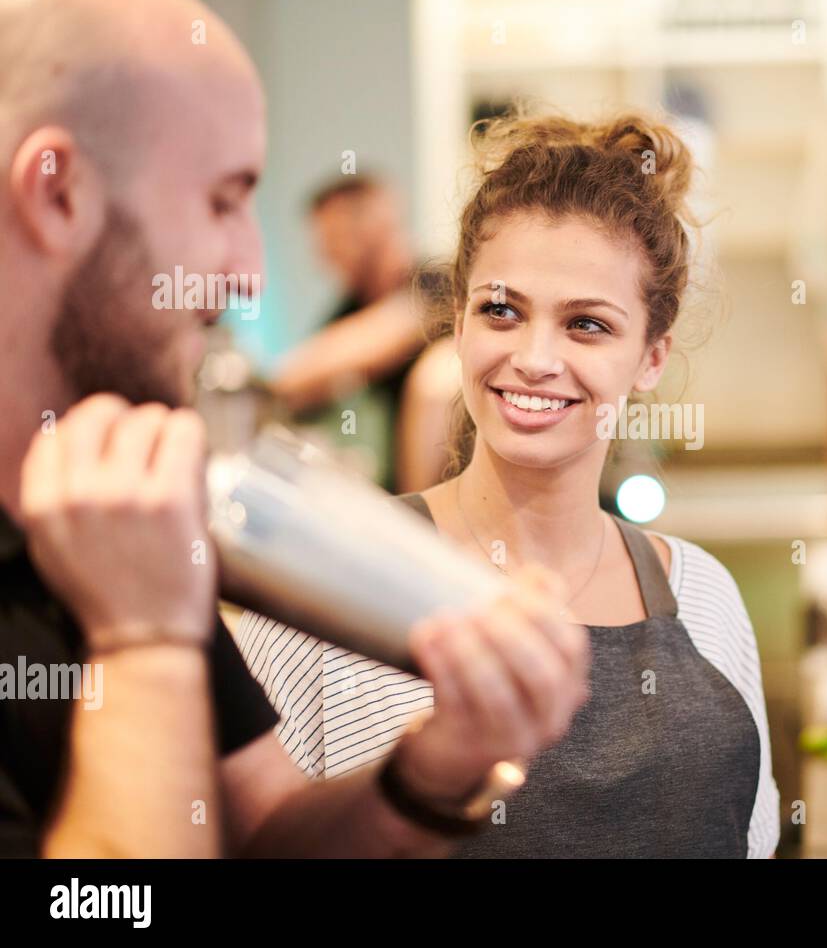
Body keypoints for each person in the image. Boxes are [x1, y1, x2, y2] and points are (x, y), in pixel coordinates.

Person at [0, 0, 588, 858]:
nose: (249, 275)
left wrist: (433, 774)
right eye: (222, 202)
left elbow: (263, 828)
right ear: (58, 195)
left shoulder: (122, 516)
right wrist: (142, 646)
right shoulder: (141, 576)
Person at [238, 111, 781, 857]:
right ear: (458, 321)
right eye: (501, 310)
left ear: (652, 356)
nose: (534, 358)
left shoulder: (706, 595)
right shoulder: (322, 601)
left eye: (587, 325)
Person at [271, 175, 431, 492]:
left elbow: (376, 341)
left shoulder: (433, 284)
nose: (325, 256)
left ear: (375, 226)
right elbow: (298, 376)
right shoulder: (351, 304)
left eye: (334, 238)